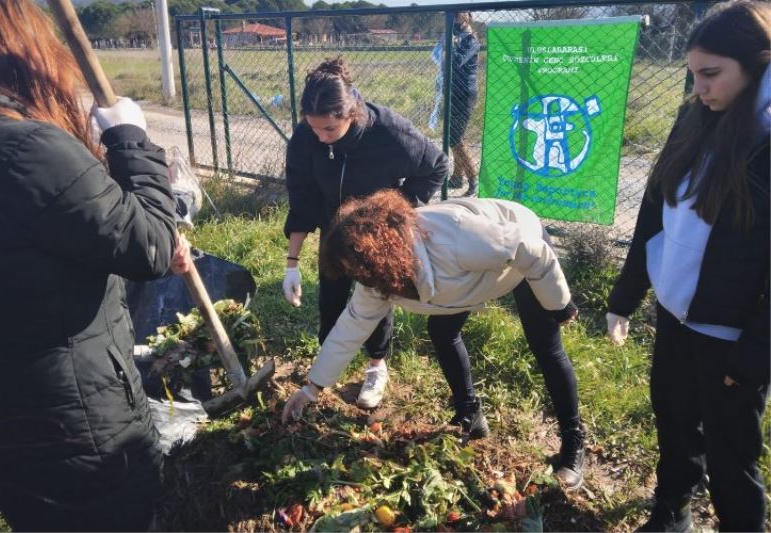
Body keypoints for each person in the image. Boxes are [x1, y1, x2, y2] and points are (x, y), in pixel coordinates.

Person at [0, 1, 191, 530]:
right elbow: (149, 246)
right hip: (76, 429)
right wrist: (130, 141)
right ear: (19, 49)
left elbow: (36, 245)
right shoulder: (22, 148)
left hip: (2, 417)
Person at [282, 190, 587, 489]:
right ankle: (470, 415)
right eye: (352, 273)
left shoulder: (454, 237)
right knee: (442, 331)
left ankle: (573, 442)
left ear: (378, 254)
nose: (358, 278)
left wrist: (559, 304)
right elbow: (352, 326)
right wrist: (311, 388)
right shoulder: (376, 277)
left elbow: (529, 250)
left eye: (357, 269)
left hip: (523, 256)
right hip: (468, 280)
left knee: (546, 346)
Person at [606, 2, 770, 531]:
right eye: (692, 75)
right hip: (676, 312)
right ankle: (671, 510)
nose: (699, 87)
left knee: (732, 453)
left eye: (711, 74)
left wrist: (752, 359)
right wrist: (625, 296)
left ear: (758, 63)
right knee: (673, 421)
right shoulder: (695, 115)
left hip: (733, 333)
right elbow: (654, 208)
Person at [282, 57, 448, 410]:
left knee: (375, 295)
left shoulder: (388, 133)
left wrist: (395, 212)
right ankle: (326, 368)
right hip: (333, 228)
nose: (319, 136)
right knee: (331, 295)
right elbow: (302, 196)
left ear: (350, 114)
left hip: (375, 233)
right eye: (313, 128)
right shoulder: (305, 137)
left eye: (328, 130)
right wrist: (292, 263)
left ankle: (377, 366)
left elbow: (436, 165)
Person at [445, 12, 481, 197]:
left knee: (455, 138)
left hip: (465, 93)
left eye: (456, 16)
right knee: (452, 136)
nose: (453, 21)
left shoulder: (471, 40)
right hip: (452, 91)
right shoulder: (456, 38)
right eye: (451, 17)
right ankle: (457, 177)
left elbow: (458, 61)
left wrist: (450, 45)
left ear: (467, 18)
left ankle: (473, 179)